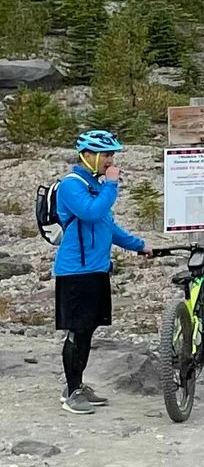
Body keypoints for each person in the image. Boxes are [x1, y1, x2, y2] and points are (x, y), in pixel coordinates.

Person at [54, 130, 152, 415]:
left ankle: (77, 385)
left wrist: (139, 245)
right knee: (77, 331)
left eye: (112, 155)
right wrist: (111, 185)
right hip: (75, 271)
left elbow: (107, 226)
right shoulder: (71, 185)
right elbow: (91, 212)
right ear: (88, 155)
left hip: (96, 269)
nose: (111, 161)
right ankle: (72, 392)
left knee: (87, 330)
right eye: (106, 155)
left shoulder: (95, 185)